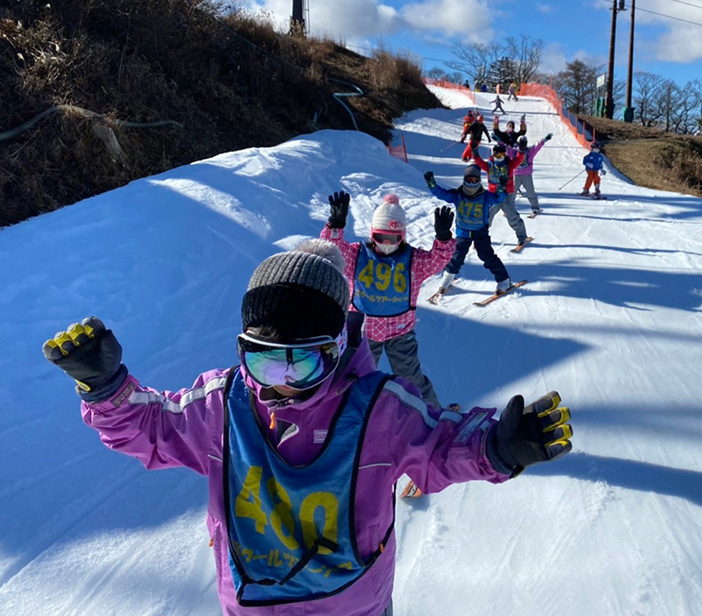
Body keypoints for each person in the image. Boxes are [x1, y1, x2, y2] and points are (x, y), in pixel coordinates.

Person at [42, 239, 572, 616]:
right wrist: (107, 388)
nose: (280, 385)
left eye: (303, 364)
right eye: (264, 361)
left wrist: (497, 446)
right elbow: (153, 427)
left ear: (338, 348)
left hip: (352, 606)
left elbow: (439, 441)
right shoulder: (223, 406)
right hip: (250, 604)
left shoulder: (379, 411)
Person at [320, 191, 454, 409]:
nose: (386, 244)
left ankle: (432, 414)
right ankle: (346, 414)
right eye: (380, 237)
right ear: (372, 233)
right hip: (363, 332)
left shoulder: (413, 260)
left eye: (393, 239)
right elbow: (330, 250)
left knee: (411, 378)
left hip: (400, 332)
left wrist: (443, 238)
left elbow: (438, 260)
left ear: (403, 235)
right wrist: (336, 224)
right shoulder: (357, 255)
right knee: (352, 377)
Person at [425, 164, 514, 294]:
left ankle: (504, 280)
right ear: (464, 180)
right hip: (463, 232)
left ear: (479, 180)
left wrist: (501, 188)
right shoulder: (458, 194)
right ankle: (448, 277)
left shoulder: (484, 196)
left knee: (487, 255)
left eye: (475, 180)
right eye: (468, 180)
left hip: (480, 232)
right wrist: (433, 186)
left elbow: (498, 198)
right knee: (457, 257)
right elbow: (443, 194)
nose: (471, 183)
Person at [473, 141, 528, 248]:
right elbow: (479, 162)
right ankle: (480, 239)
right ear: (493, 154)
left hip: (507, 195)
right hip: (493, 196)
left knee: (513, 216)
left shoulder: (509, 164)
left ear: (505, 154)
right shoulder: (490, 165)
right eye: (497, 154)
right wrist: (475, 153)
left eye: (502, 155)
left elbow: (518, 160)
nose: (499, 157)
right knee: (487, 217)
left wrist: (521, 151)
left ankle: (522, 237)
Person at [513, 133, 553, 216]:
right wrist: (498, 140)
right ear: (518, 144)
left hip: (526, 175)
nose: (522, 147)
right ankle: (509, 209)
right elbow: (505, 148)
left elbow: (537, 146)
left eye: (524, 145)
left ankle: (535, 208)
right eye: (521, 145)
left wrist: (545, 139)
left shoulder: (529, 151)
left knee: (531, 192)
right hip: (516, 175)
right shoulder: (514, 152)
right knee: (511, 193)